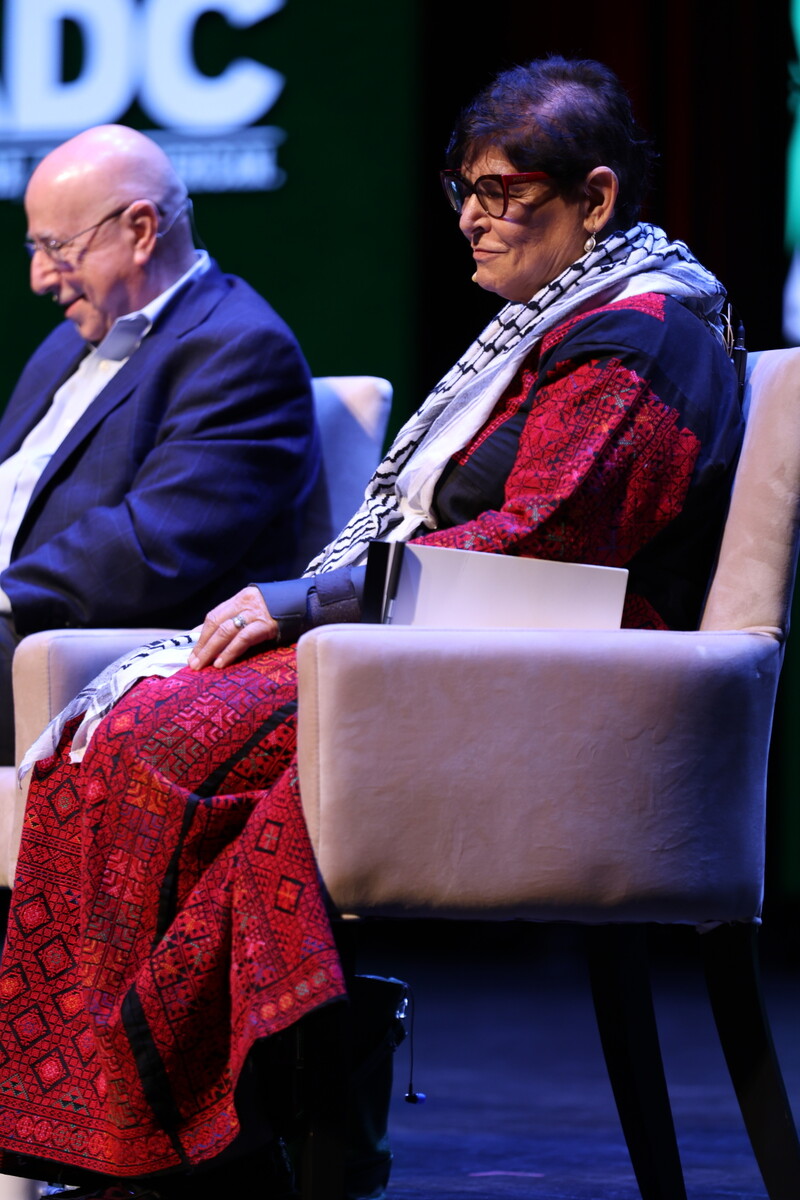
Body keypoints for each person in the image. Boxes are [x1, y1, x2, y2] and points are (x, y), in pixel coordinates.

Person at [0, 57, 743, 1199]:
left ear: (594, 199)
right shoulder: (546, 328)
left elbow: (543, 545)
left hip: (543, 681)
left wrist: (309, 602)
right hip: (435, 649)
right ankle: (198, 1123)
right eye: (463, 191)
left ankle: (172, 1130)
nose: (472, 219)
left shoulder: (640, 338)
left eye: (503, 193)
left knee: (156, 740)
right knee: (129, 728)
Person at [0, 124, 319, 762]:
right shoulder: (68, 340)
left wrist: (5, 593)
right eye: (35, 247)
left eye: (57, 247)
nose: (39, 277)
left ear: (141, 230)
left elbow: (151, 546)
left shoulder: (240, 348)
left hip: (81, 649)